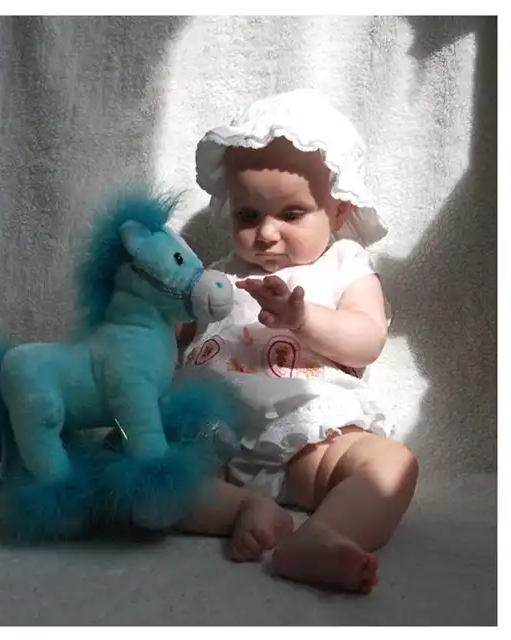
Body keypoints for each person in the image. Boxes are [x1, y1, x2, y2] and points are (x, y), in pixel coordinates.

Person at [174, 89, 418, 594]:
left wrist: (304, 320)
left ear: (338, 210)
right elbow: (183, 341)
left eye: (291, 214)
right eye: (248, 216)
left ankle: (324, 535)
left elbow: (366, 339)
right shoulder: (217, 276)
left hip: (309, 437)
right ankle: (242, 509)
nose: (266, 234)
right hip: (209, 434)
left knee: (391, 464)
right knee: (141, 471)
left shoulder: (344, 265)